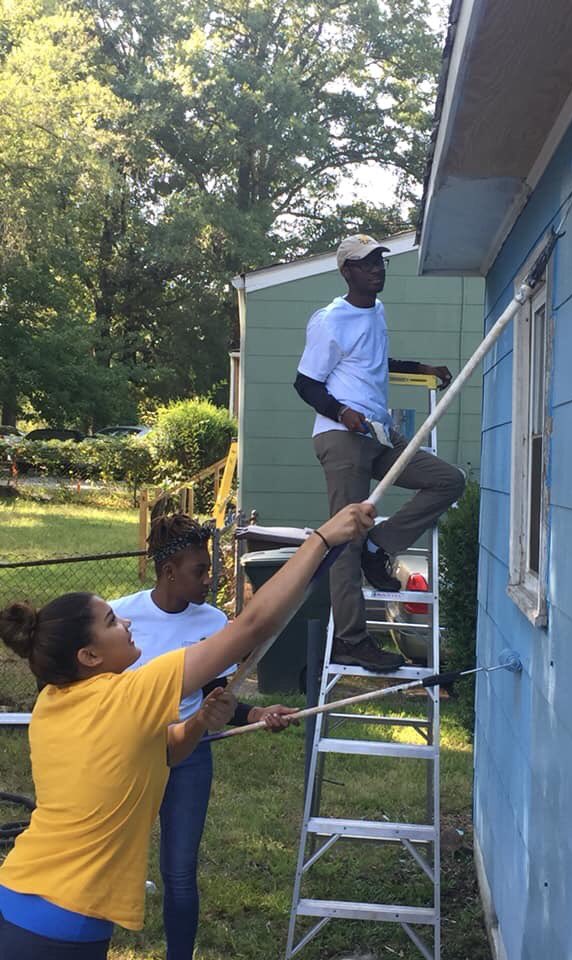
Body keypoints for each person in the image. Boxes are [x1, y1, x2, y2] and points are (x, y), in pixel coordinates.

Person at [0, 501, 373, 960]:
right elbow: (254, 624)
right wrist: (322, 539)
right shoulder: (131, 695)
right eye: (113, 622)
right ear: (89, 657)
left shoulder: (54, 702)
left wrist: (198, 722)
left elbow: (164, 752)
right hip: (58, 927)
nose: (128, 622)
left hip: (19, 895)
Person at [111, 513, 298, 960]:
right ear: (169, 572)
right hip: (129, 756)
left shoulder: (213, 622)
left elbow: (219, 698)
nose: (210, 578)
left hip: (189, 756)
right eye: (200, 569)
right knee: (111, 865)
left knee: (179, 872)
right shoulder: (119, 618)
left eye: (209, 566)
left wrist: (256, 712)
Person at [294, 234, 466, 672]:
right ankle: (352, 640)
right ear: (346, 271)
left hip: (377, 436)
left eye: (379, 262)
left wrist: (420, 368)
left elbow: (372, 362)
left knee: (448, 480)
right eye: (367, 263)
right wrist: (342, 413)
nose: (377, 269)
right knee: (343, 540)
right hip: (342, 437)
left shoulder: (377, 311)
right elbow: (306, 383)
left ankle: (379, 546)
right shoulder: (330, 320)